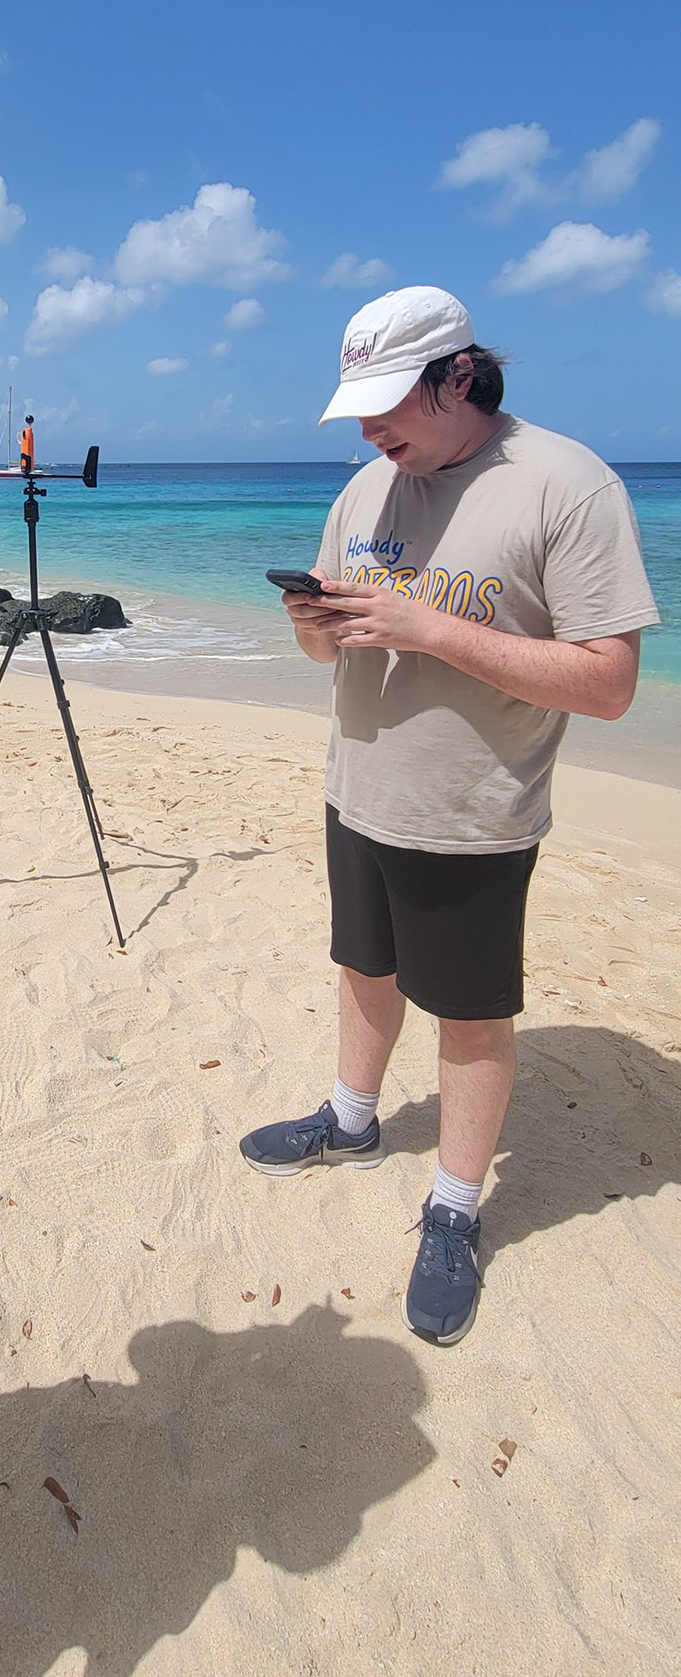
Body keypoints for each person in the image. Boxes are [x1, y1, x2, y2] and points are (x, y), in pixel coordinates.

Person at [238, 286, 659, 1346]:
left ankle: (454, 1209)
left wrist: (426, 628)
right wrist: (316, 625)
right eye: (361, 411)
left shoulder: (565, 485)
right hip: (358, 787)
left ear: (458, 377)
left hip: (472, 812)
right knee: (360, 968)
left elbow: (607, 683)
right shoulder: (365, 490)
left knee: (468, 1017)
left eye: (390, 407)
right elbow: (326, 653)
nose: (373, 432)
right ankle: (349, 1121)